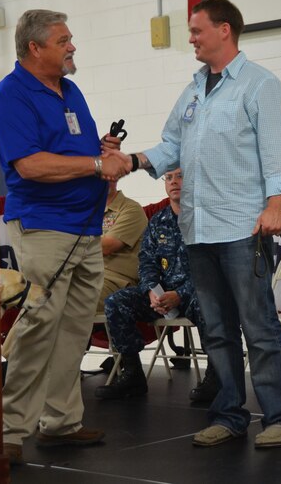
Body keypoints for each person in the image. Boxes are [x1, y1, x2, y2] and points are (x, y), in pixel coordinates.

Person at [106, 0, 281, 449]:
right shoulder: (195, 88)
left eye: (197, 31)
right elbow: (172, 143)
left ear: (225, 31)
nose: (191, 39)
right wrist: (131, 160)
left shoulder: (259, 85)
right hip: (199, 229)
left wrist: (277, 204)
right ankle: (229, 414)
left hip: (242, 227)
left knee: (259, 326)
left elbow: (278, 152)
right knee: (215, 329)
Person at [0, 9, 129, 465]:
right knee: (38, 328)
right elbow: (28, 165)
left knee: (72, 330)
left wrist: (100, 150)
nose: (73, 47)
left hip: (86, 228)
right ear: (35, 48)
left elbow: (78, 153)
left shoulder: (71, 91)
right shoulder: (11, 96)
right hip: (45, 228)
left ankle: (61, 422)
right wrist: (93, 165)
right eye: (64, 40)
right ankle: (9, 431)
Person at [94, 168, 220, 402]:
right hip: (162, 296)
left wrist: (180, 294)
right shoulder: (158, 220)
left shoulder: (209, 219)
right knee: (117, 302)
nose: (174, 182)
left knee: (209, 304)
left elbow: (214, 269)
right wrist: (152, 289)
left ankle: (216, 376)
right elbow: (146, 261)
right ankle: (132, 373)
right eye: (169, 178)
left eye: (181, 176)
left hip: (197, 293)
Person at [98, 180, 147, 312]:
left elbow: (107, 247)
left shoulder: (131, 209)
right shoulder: (85, 210)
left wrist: (69, 241)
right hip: (86, 275)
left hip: (116, 281)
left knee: (72, 298)